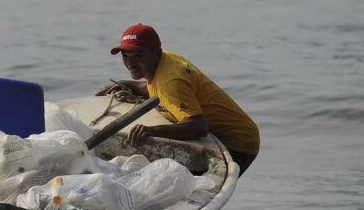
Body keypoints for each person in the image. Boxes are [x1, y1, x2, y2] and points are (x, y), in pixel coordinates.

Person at [95, 24, 260, 175]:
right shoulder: (165, 61)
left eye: (137, 56)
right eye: (125, 56)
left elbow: (198, 126)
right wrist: (126, 84)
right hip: (224, 134)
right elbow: (155, 89)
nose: (130, 63)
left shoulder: (171, 81)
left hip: (237, 142)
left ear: (156, 53)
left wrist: (151, 131)